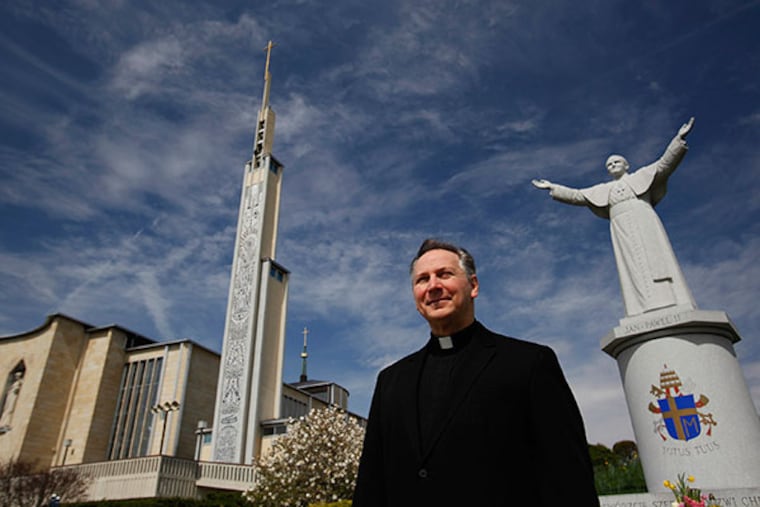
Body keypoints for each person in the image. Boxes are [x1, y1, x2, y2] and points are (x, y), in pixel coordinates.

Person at [353, 238, 599, 506]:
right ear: (415, 298)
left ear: (474, 285)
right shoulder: (390, 381)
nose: (433, 286)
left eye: (444, 274)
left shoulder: (529, 363)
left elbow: (569, 477)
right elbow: (371, 483)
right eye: (422, 280)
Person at [532, 118, 697, 317]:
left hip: (643, 218)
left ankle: (671, 299)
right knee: (630, 267)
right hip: (620, 227)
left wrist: (678, 140)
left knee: (655, 257)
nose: (612, 165)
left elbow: (665, 164)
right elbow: (578, 195)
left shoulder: (641, 176)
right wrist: (553, 187)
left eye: (616, 162)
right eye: (609, 165)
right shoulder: (604, 190)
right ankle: (639, 308)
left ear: (626, 165)